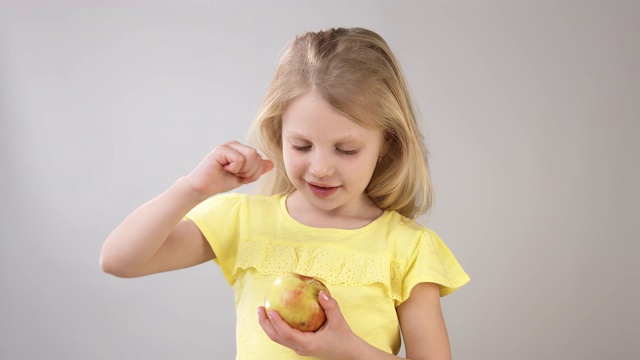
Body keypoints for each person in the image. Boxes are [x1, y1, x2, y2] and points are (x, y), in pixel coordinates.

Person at [100, 27, 470, 360]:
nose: (321, 168)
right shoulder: (245, 221)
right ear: (278, 135)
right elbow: (120, 260)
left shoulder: (409, 248)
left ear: (386, 142)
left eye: (346, 150)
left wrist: (348, 350)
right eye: (302, 145)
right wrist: (193, 189)